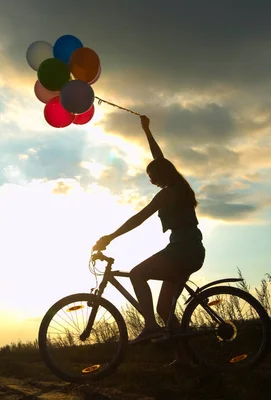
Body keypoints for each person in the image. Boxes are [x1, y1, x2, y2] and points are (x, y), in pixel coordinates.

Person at [93, 115, 205, 367]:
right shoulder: (178, 186)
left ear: (161, 174)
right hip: (188, 250)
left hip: (182, 251)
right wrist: (146, 131)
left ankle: (151, 328)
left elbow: (139, 218)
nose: (150, 179)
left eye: (151, 174)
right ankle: (184, 358)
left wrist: (109, 237)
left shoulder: (169, 194)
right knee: (165, 308)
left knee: (137, 274)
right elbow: (160, 158)